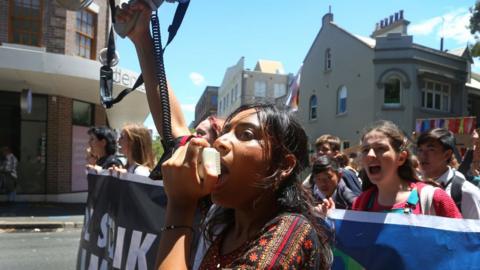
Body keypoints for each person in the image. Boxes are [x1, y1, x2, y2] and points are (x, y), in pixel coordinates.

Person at [157, 104, 332, 269]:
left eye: (246, 134)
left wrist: (180, 206)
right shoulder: (223, 220)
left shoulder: (291, 233)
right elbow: (174, 125)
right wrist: (152, 70)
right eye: (225, 132)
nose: (220, 142)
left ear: (283, 166)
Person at [352, 121, 461, 218]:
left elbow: (462, 239)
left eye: (381, 148)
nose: (370, 155)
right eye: (365, 150)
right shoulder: (361, 203)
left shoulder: (434, 198)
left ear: (401, 158)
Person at [417, 128, 480, 219]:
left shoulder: (466, 193)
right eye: (420, 150)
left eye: (431, 150)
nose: (423, 155)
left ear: (447, 154)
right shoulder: (411, 187)